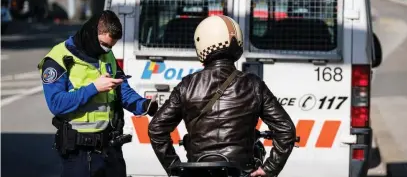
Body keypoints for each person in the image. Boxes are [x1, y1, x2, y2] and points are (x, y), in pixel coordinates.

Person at [148, 15, 296, 177]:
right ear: (237, 44)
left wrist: (175, 167)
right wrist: (269, 169)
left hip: (197, 172)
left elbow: (156, 128)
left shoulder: (187, 85)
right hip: (241, 172)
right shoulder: (253, 84)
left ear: (201, 44)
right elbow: (286, 130)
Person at [38, 10, 158, 177]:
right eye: (104, 44)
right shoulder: (58, 59)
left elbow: (122, 89)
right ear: (92, 33)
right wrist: (94, 88)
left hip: (110, 149)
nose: (107, 49)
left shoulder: (106, 55)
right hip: (80, 153)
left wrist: (143, 105)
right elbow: (56, 104)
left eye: (111, 46)